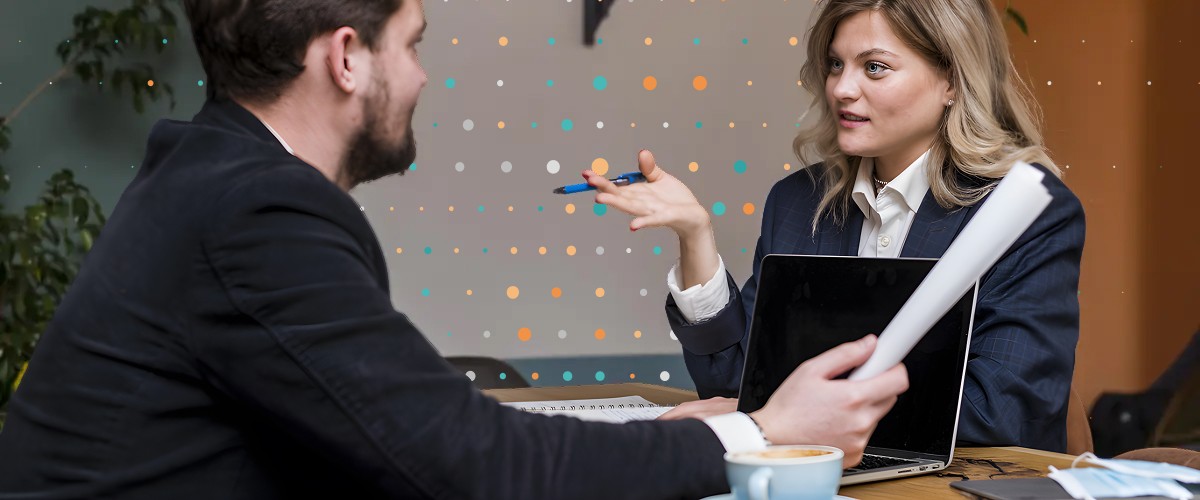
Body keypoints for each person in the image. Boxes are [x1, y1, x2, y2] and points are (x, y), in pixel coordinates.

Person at [0, 1, 911, 498]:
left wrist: (671, 429)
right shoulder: (257, 209)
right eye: (417, 43)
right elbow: (471, 465)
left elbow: (419, 433)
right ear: (347, 57)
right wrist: (758, 432)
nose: (427, 74)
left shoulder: (207, 174)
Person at [588, 0, 1085, 452]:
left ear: (952, 80)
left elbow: (1001, 416)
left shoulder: (1026, 213)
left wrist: (777, 419)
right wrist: (695, 236)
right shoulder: (797, 202)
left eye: (875, 67)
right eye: (835, 64)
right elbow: (733, 385)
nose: (842, 89)